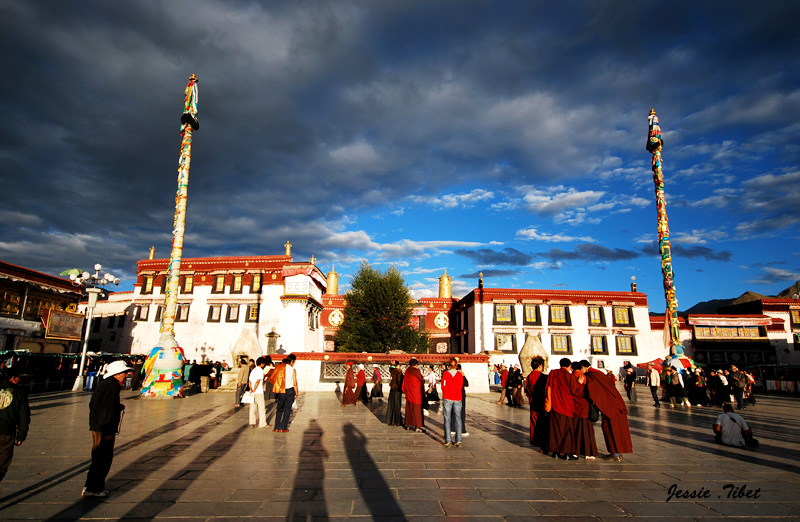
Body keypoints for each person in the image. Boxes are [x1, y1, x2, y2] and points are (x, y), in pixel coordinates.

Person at [83, 360, 131, 497]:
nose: (125, 375)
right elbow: (107, 410)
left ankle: (90, 485)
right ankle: (94, 489)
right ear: (117, 374)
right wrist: (109, 430)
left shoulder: (106, 385)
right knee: (103, 458)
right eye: (124, 373)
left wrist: (118, 407)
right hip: (104, 428)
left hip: (97, 426)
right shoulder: (111, 386)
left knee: (97, 457)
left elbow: (96, 405)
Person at [584, 364, 633, 461]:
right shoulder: (599, 375)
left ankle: (616, 454)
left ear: (583, 367)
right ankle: (615, 453)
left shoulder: (593, 376)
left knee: (612, 430)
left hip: (611, 408)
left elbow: (593, 391)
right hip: (612, 405)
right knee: (610, 429)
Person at [0, 368, 30, 482]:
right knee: (2, 465)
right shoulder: (19, 392)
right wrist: (21, 434)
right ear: (14, 378)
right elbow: (24, 415)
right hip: (6, 433)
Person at [548, 358, 580, 460]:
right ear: (570, 366)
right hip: (566, 406)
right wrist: (579, 382)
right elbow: (575, 391)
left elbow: (547, 387)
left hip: (555, 405)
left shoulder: (553, 373)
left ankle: (555, 451)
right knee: (566, 430)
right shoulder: (569, 376)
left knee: (555, 430)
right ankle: (565, 452)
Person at [524, 356, 549, 453]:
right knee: (544, 424)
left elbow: (527, 391)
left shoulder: (529, 377)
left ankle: (538, 443)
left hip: (533, 403)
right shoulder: (543, 377)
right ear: (540, 366)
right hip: (542, 403)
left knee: (535, 424)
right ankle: (545, 444)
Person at [271, 355, 298, 432]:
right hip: (290, 390)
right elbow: (295, 382)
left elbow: (273, 378)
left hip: (281, 391)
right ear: (292, 361)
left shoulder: (279, 368)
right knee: (287, 409)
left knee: (279, 409)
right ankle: (283, 428)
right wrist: (296, 392)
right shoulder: (293, 370)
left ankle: (276, 427)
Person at [441, 358, 464, 447]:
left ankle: (448, 440)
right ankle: (458, 440)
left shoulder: (446, 374)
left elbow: (443, 385)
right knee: (458, 419)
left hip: (447, 397)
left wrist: (446, 391)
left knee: (447, 419)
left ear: (449, 365)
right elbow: (461, 386)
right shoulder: (459, 374)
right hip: (457, 397)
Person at [402, 358, 425, 432]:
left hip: (409, 392)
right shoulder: (417, 371)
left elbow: (405, 380)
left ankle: (408, 425)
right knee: (417, 409)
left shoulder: (407, 370)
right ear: (416, 364)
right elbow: (421, 379)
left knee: (409, 408)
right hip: (416, 393)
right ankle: (418, 426)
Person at [248, 357, 269, 429]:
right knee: (261, 408)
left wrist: (251, 389)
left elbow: (250, 381)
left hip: (252, 391)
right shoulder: (260, 370)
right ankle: (262, 423)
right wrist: (255, 389)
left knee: (253, 407)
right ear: (262, 363)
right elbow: (258, 381)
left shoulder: (253, 370)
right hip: (258, 391)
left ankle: (252, 422)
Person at [386, 361, 403, 426]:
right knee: (397, 405)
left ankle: (390, 420)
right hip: (397, 389)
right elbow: (399, 381)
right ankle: (397, 421)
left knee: (391, 404)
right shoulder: (398, 372)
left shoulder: (392, 371)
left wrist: (392, 365)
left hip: (392, 389)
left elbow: (391, 368)